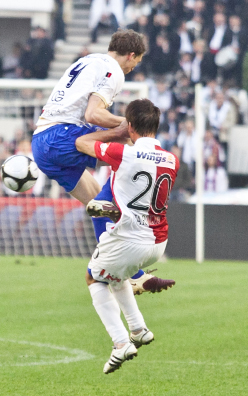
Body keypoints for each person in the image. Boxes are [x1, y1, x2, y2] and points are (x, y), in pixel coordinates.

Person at [31, 29, 174, 295]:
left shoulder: (87, 60)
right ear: (130, 55)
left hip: (41, 142)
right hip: (61, 137)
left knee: (100, 204)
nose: (133, 68)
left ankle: (130, 275)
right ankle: (150, 200)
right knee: (133, 138)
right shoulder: (114, 70)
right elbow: (94, 114)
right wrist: (127, 125)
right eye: (136, 61)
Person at [75, 99, 179, 374]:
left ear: (130, 126)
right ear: (156, 126)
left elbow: (82, 144)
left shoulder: (124, 154)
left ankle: (120, 342)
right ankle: (139, 329)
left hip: (129, 238)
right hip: (158, 241)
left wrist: (115, 132)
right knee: (116, 275)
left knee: (93, 278)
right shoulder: (172, 159)